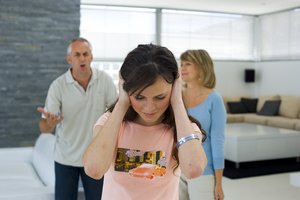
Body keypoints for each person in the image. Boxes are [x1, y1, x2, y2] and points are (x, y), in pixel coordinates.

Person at [83, 44, 208, 200]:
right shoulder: (110, 122)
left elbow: (193, 169)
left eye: (160, 97)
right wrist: (122, 104)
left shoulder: (183, 128)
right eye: (139, 97)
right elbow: (94, 169)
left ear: (173, 88)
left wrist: (177, 102)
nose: (150, 108)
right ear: (126, 89)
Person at [37, 37, 118, 200]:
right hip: (65, 159)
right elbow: (44, 128)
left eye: (85, 54)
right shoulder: (58, 85)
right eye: (77, 54)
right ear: (69, 59)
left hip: (96, 157)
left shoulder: (105, 81)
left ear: (91, 57)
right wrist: (50, 122)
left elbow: (116, 115)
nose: (82, 58)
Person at [179, 49, 226, 200]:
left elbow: (218, 141)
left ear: (201, 67)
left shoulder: (214, 99)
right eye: (181, 64)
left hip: (203, 171)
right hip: (177, 170)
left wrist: (218, 182)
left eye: (188, 64)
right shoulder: (176, 97)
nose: (182, 68)